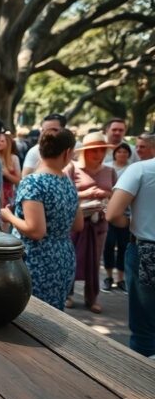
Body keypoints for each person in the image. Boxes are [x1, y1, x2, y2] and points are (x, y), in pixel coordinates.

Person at [0, 128, 84, 310]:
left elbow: (36, 231)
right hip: (63, 256)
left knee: (31, 315)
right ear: (67, 152)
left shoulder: (33, 182)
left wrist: (9, 216)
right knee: (53, 314)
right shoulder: (68, 182)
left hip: (36, 259)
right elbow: (78, 224)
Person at [106, 155, 155, 357]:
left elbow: (113, 214)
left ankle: (141, 381)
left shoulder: (141, 169)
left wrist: (127, 224)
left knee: (144, 326)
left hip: (146, 251)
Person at [65, 132, 117, 313]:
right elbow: (65, 193)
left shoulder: (110, 171)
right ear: (85, 152)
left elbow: (116, 195)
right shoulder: (72, 168)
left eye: (102, 150)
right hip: (76, 221)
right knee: (71, 257)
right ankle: (67, 294)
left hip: (99, 223)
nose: (98, 154)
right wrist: (88, 194)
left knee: (95, 260)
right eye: (94, 150)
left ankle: (91, 297)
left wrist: (107, 198)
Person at [102, 142, 133, 291]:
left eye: (125, 152)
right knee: (108, 245)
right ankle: (108, 276)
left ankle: (121, 278)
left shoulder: (133, 168)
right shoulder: (107, 167)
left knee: (123, 246)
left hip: (126, 214)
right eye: (119, 151)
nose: (122, 154)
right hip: (107, 213)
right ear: (114, 153)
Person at [0, 132, 21, 208]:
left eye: (2, 141)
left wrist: (6, 174)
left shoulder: (13, 158)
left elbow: (19, 181)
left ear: (8, 144)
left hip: (9, 197)